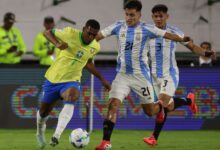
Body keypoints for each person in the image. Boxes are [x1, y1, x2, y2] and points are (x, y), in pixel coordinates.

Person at [95, 1, 192, 149]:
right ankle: (105, 142)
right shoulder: (118, 26)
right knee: (113, 104)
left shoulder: (147, 28)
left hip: (141, 77)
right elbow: (99, 35)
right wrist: (84, 42)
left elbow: (166, 34)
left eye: (132, 15)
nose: (129, 17)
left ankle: (160, 109)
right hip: (122, 76)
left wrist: (182, 39)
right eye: (127, 14)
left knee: (150, 111)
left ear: (139, 14)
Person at [143, 4, 217, 146]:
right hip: (153, 76)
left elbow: (192, 46)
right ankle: (188, 100)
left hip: (169, 74)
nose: (158, 19)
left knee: (161, 104)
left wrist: (206, 53)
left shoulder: (174, 32)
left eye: (161, 16)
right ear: (152, 17)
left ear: (167, 16)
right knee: (168, 107)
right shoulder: (148, 32)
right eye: (156, 16)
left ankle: (153, 137)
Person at [36, 19, 111, 149]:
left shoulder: (95, 46)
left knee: (72, 96)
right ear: (84, 29)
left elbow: (88, 63)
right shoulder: (69, 33)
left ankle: (56, 135)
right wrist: (57, 44)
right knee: (43, 113)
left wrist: (102, 79)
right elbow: (47, 32)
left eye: (94, 35)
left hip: (72, 80)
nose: (91, 37)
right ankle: (40, 131)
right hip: (53, 79)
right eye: (89, 33)